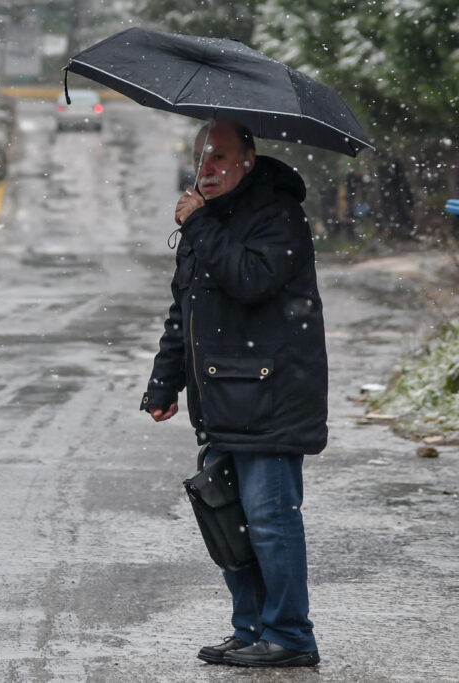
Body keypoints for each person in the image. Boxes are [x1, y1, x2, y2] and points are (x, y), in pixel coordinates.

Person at [140, 118, 326, 668]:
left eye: (220, 156)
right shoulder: (207, 223)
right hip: (222, 396)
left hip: (271, 396)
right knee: (230, 524)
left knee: (269, 522)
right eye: (202, 157)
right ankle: (251, 631)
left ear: (248, 159)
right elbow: (186, 312)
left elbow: (250, 280)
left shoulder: (276, 213)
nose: (208, 168)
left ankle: (290, 635)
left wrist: (198, 226)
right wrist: (163, 381)